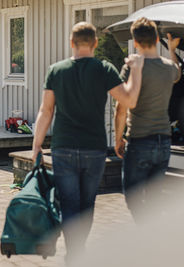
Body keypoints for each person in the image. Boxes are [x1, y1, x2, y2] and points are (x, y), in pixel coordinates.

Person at [31, 22, 144, 260]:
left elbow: (46, 110)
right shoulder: (104, 69)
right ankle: (77, 252)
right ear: (95, 43)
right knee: (87, 204)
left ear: (71, 43)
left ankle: (73, 252)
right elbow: (130, 101)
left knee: (69, 203)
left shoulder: (56, 70)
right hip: (94, 149)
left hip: (63, 147)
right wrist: (137, 69)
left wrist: (37, 144)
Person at [114, 17, 181, 221]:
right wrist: (171, 50)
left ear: (135, 42)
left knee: (133, 198)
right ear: (156, 38)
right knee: (154, 199)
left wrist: (118, 139)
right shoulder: (169, 67)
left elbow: (121, 108)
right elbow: (178, 73)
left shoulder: (133, 67)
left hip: (139, 140)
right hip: (164, 142)